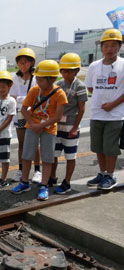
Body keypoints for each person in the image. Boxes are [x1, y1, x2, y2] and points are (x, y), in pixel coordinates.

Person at [12, 60, 68, 201]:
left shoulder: (59, 94)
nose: (38, 82)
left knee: (47, 158)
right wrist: (33, 124)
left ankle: (44, 185)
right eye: (37, 78)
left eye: (41, 79)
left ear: (52, 79)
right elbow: (24, 109)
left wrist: (41, 126)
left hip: (49, 129)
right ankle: (24, 182)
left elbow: (58, 116)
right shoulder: (34, 90)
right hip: (32, 126)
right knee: (26, 155)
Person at [85, 29, 124, 190]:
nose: (109, 49)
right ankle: (102, 173)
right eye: (106, 45)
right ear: (102, 47)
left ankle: (110, 175)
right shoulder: (94, 66)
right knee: (98, 147)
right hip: (97, 113)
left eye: (113, 45)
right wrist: (101, 99)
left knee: (110, 148)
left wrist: (112, 104)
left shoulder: (123, 65)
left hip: (115, 115)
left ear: (119, 46)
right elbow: (90, 86)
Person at [49, 53, 88, 194]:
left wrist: (76, 128)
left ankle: (67, 182)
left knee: (70, 156)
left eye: (70, 71)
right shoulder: (58, 84)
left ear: (76, 71)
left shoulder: (79, 85)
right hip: (57, 125)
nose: (66, 73)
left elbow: (82, 108)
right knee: (54, 153)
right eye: (63, 70)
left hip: (71, 125)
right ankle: (52, 177)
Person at [10, 48, 42, 184]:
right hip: (20, 115)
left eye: (25, 62)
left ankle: (37, 170)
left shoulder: (36, 79)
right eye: (20, 63)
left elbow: (37, 97)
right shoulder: (15, 78)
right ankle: (21, 169)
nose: (23, 65)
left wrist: (21, 99)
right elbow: (12, 96)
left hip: (33, 115)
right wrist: (25, 99)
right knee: (22, 143)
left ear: (32, 63)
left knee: (35, 143)